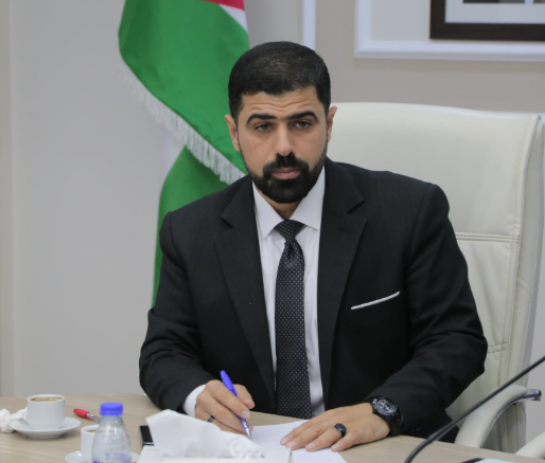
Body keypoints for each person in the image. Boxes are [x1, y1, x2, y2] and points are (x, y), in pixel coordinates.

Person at [139, 41, 488, 452]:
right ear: (234, 132)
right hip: (252, 449)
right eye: (262, 126)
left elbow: (456, 340)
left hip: (380, 447)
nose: (284, 147)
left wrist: (382, 410)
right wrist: (199, 394)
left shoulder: (408, 212)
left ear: (329, 123)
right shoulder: (190, 230)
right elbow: (164, 351)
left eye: (302, 124)